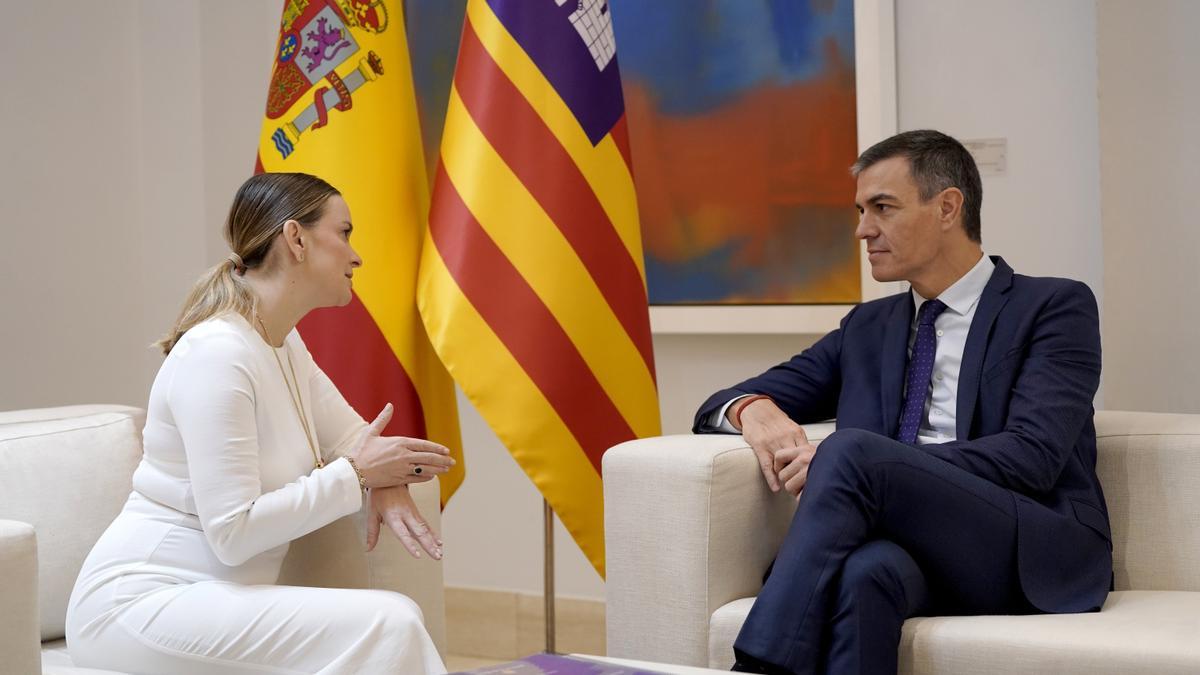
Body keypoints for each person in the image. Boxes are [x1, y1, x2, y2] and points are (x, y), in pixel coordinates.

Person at [694, 130, 1112, 675]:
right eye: (861, 211)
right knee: (864, 575)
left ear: (947, 207)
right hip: (909, 546)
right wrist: (753, 408)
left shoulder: (1053, 306)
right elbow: (720, 401)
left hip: (1023, 541)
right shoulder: (868, 327)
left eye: (883, 208)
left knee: (850, 451)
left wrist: (882, 465)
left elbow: (1031, 458)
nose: (863, 229)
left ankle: (755, 667)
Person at [66, 173, 455, 674]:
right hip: (137, 606)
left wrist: (386, 478)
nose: (356, 256)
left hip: (216, 600)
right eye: (344, 233)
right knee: (390, 621)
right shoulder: (217, 355)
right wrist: (360, 474)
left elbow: (355, 440)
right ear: (296, 239)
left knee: (395, 619)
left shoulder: (283, 344)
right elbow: (233, 533)